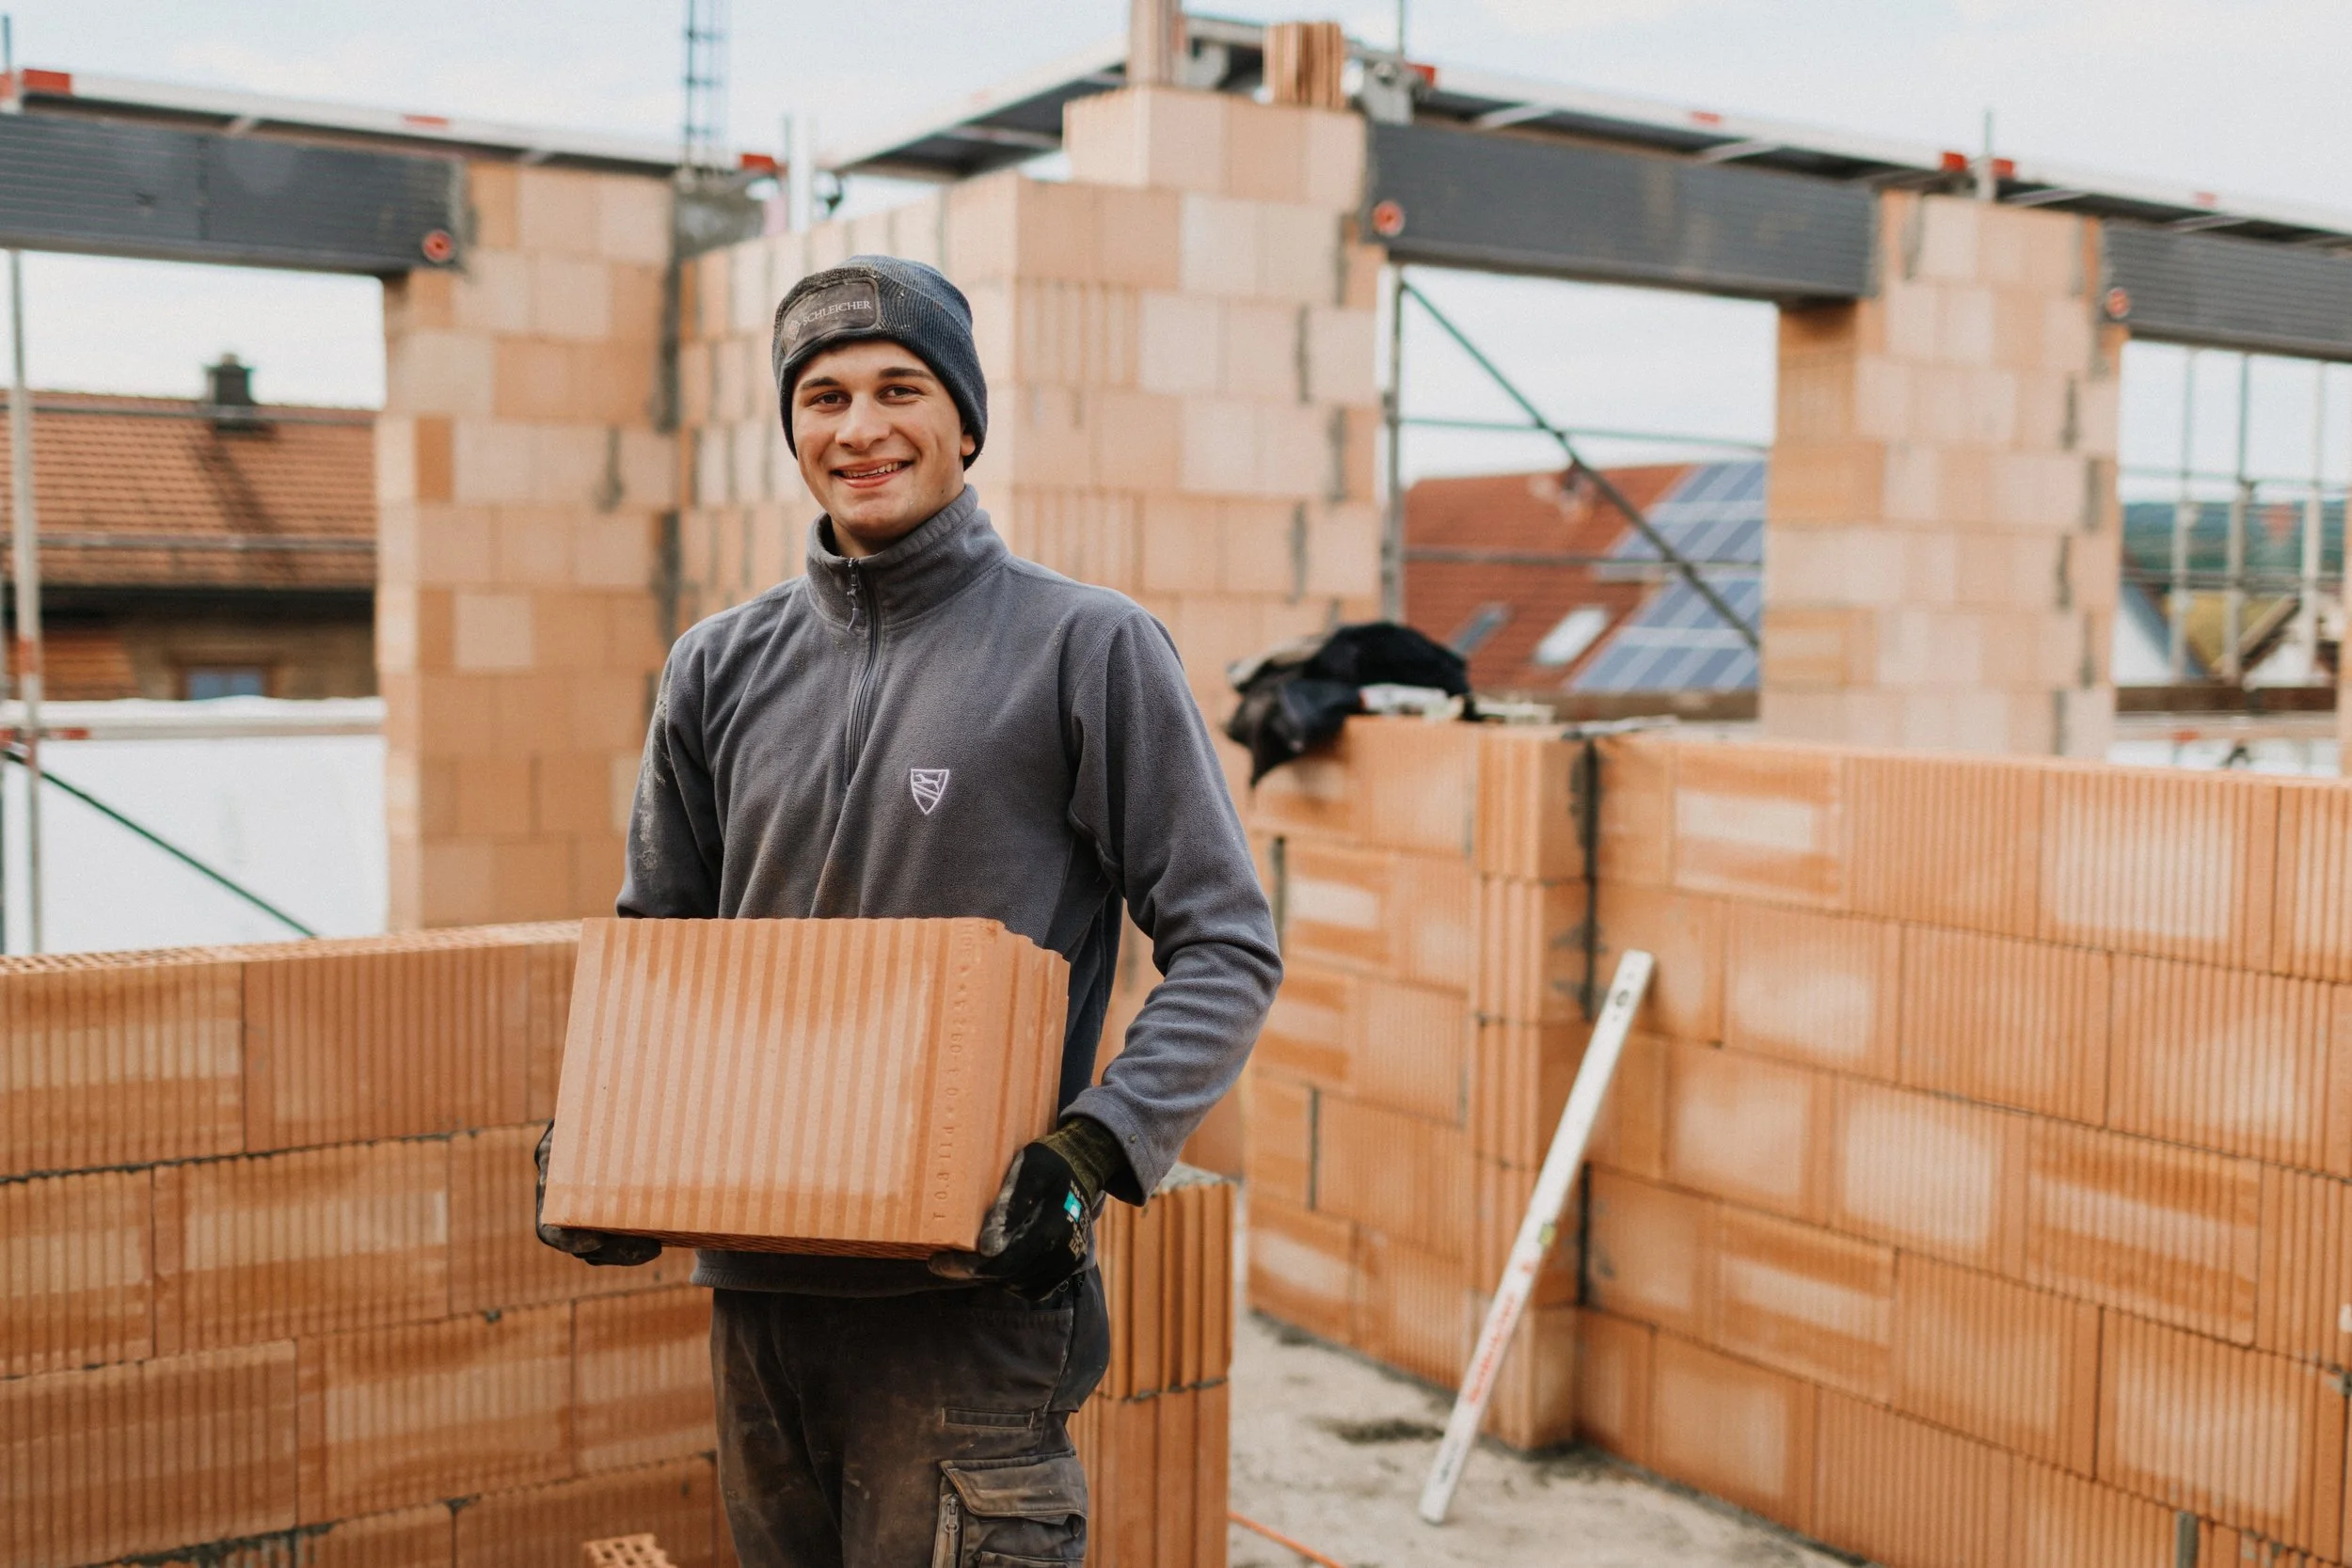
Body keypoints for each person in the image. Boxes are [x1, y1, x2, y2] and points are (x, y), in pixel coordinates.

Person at [535, 255, 1280, 1568]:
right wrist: (601, 1135)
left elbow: (1227, 942)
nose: (859, 427)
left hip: (969, 1307)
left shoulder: (1084, 646)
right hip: (760, 1302)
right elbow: (660, 943)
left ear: (965, 422)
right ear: (793, 431)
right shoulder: (719, 664)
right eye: (822, 397)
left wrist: (1097, 1151)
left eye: (900, 387)